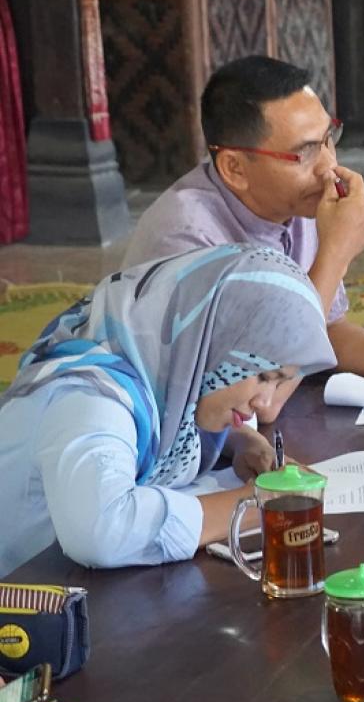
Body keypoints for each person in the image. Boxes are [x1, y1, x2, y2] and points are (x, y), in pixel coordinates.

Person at [122, 56, 364, 418]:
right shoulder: (187, 238)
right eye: (305, 153)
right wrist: (336, 253)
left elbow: (327, 330)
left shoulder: (297, 200)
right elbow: (260, 400)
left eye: (328, 139)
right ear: (235, 168)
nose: (329, 167)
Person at [0, 246, 338, 576]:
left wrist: (241, 442)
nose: (264, 403)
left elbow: (162, 426)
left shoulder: (166, 379)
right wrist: (259, 504)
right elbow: (103, 531)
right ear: (212, 340)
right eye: (263, 377)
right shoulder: (90, 399)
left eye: (278, 383)